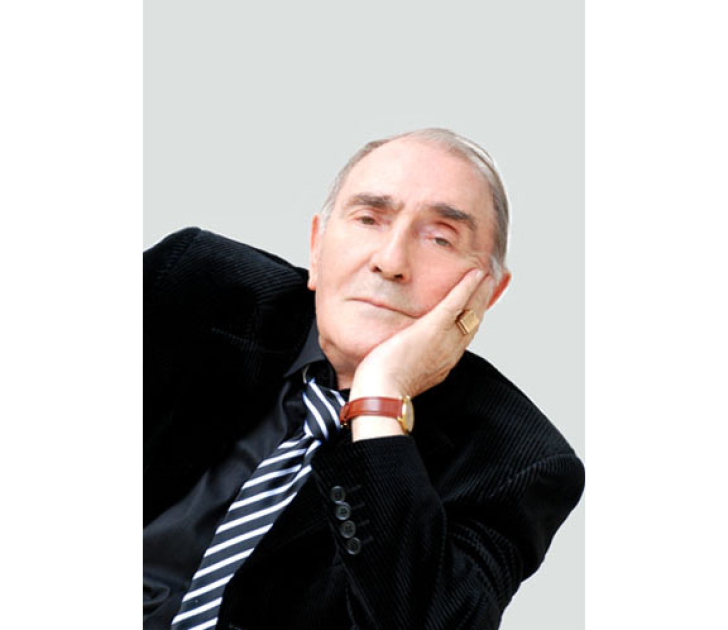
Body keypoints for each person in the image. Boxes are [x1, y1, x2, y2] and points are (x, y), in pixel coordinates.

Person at [143, 128, 585, 630]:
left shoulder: (516, 462)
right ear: (316, 248)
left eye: (440, 238)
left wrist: (378, 403)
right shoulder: (189, 285)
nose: (390, 262)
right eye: (369, 219)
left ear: (487, 295)